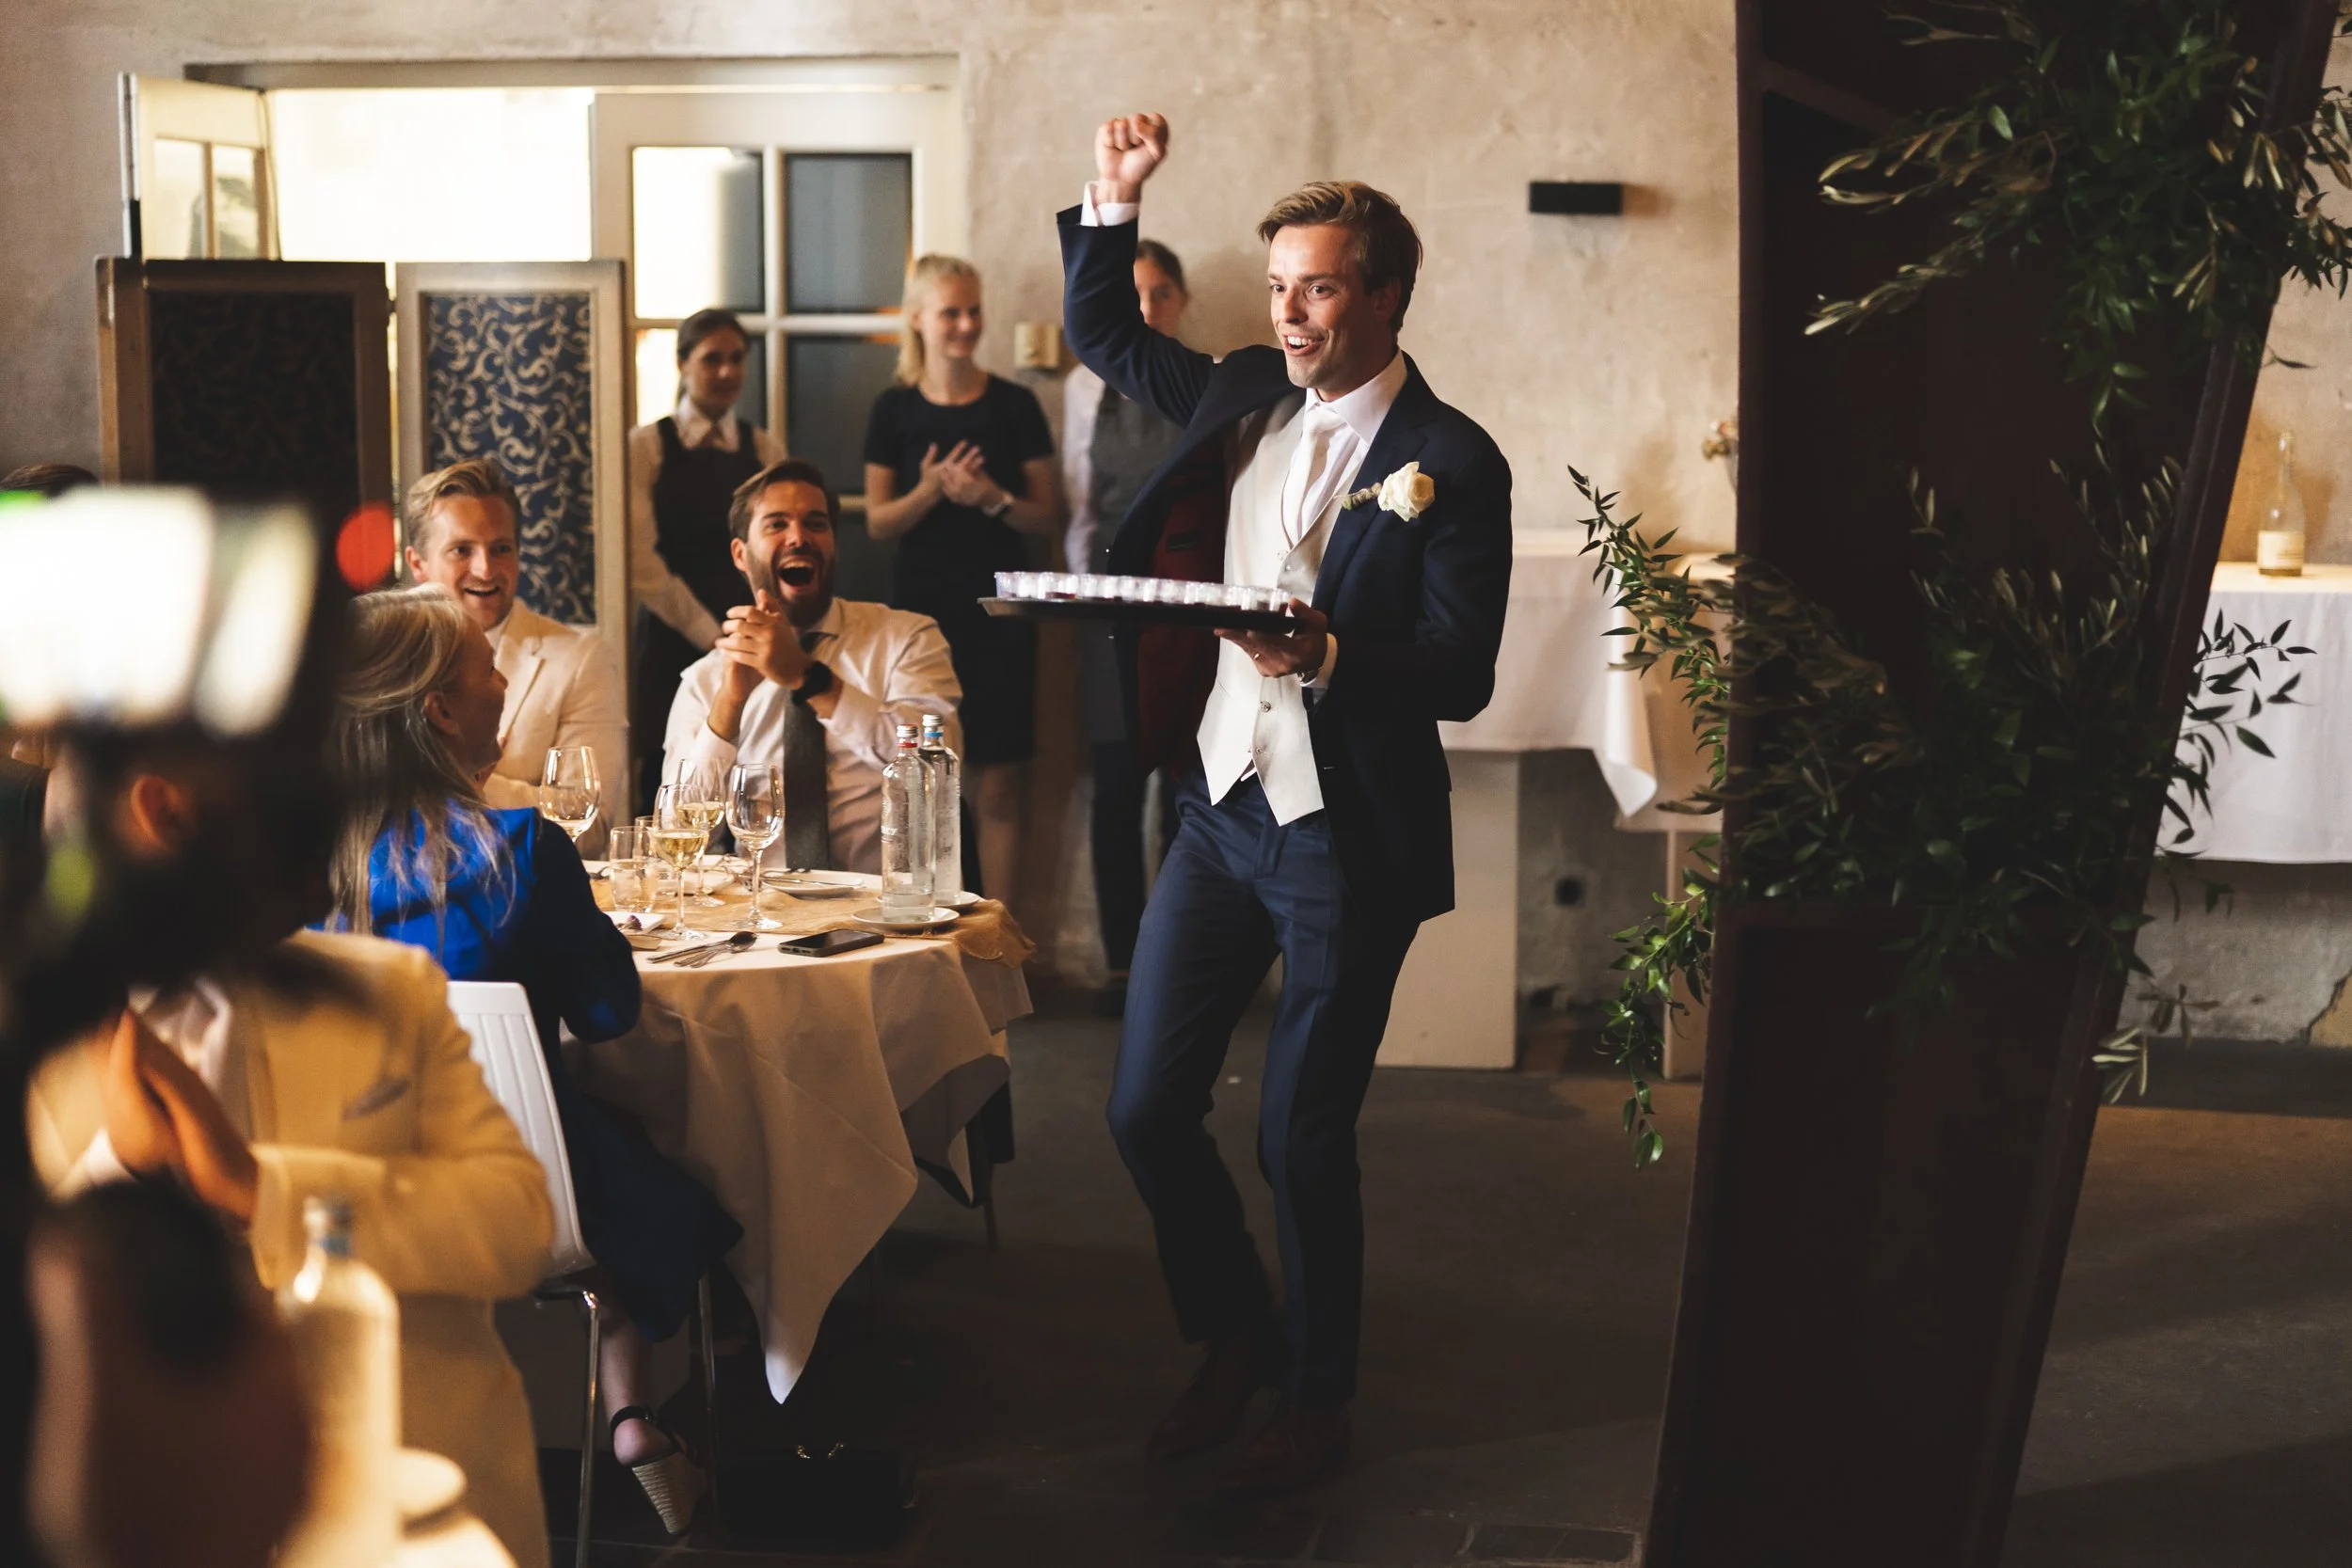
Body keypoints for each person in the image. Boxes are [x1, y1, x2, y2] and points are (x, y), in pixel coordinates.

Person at [1062, 115, 1513, 1495]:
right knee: (1144, 1106)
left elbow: (1465, 668)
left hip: (1342, 834)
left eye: (1319, 286)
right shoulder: (1244, 389)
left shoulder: (1456, 457)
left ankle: (1318, 1390)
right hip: (1218, 804)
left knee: (1297, 1130)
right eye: (1279, 287)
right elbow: (1102, 334)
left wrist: (1328, 653)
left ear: (1384, 295)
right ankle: (1238, 1333)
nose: (1293, 312)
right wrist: (1115, 200)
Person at [24, 739, 559, 1566]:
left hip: (426, 1522)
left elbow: (519, 1224)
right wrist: (118, 1171)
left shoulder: (388, 989)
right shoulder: (30, 1055)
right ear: (166, 813)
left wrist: (256, 1188)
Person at [327, 585, 741, 1536]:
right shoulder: (519, 848)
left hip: (362, 1192)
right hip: (522, 1195)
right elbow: (607, 1014)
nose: (504, 680)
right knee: (660, 1153)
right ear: (437, 708)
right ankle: (635, 1411)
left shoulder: (311, 864)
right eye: (484, 670)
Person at [862, 256, 1062, 902]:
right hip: (921, 617)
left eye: (974, 310)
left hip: (999, 615)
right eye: (952, 311)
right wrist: (929, 491)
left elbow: (1047, 513)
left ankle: (997, 946)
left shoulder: (1015, 404)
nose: (967, 324)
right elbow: (878, 523)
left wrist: (989, 497)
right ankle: (928, 945)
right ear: (919, 319)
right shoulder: (892, 409)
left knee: (999, 783)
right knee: (922, 784)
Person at [664, 459, 962, 874]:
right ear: (740, 554)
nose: (799, 538)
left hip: (891, 909)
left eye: (816, 524)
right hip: (764, 917)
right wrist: (730, 703)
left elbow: (938, 771)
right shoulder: (706, 680)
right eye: (776, 525)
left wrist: (809, 678)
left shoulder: (906, 638)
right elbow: (675, 832)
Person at [1062, 239, 1193, 1010]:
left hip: (1186, 610)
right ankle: (1120, 964)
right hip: (1106, 611)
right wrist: (1088, 601)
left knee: (1184, 787)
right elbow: (1082, 507)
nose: (1148, 308)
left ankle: (1178, 958)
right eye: (1134, 294)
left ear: (1180, 302)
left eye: (1161, 293)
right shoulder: (1086, 390)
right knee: (1116, 788)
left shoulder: (1201, 385)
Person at [403, 457, 629, 838]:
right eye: (462, 550)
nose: (487, 570)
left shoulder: (580, 659)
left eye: (502, 549)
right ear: (418, 564)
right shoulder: (387, 659)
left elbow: (591, 825)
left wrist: (457, 777)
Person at [628, 309, 788, 814]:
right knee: (665, 778)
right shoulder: (647, 447)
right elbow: (642, 563)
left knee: (750, 771)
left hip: (748, 637)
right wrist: (708, 633)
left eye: (736, 359)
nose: (726, 372)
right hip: (669, 638)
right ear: (681, 363)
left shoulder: (762, 447)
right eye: (711, 359)